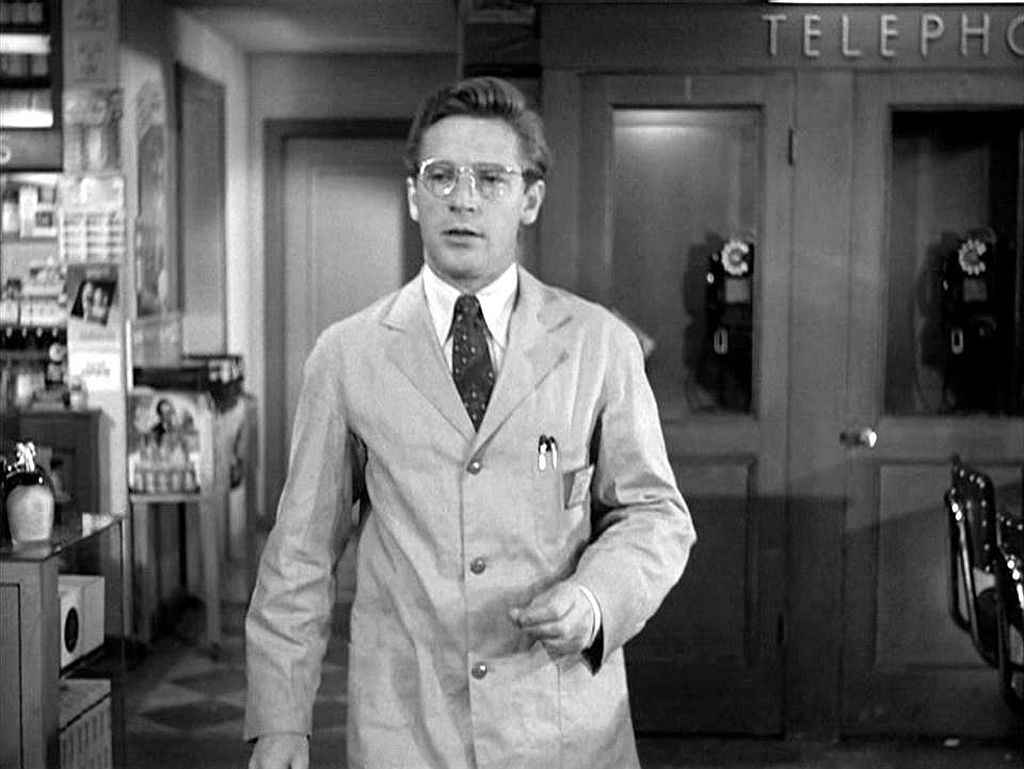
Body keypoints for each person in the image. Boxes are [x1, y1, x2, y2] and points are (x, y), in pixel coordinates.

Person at [245, 76, 697, 769]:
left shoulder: (598, 345)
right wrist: (281, 723)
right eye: (442, 176)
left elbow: (656, 515)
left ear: (530, 200)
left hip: (562, 727)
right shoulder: (347, 355)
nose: (463, 198)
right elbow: (299, 556)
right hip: (408, 727)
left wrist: (595, 599)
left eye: (491, 178)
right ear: (413, 196)